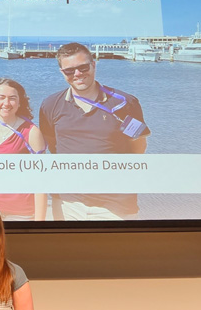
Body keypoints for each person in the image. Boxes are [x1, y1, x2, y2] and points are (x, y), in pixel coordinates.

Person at [38, 42, 151, 220]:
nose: (77, 74)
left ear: (94, 64)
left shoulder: (125, 103)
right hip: (67, 202)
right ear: (62, 72)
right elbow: (53, 145)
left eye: (83, 67)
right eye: (69, 70)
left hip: (116, 203)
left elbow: (138, 147)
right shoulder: (50, 105)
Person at [0, 78, 47, 220]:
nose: (6, 103)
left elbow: (41, 181)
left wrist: (39, 223)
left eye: (12, 98)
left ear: (19, 102)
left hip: (22, 213)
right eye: (1, 98)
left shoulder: (31, 132)